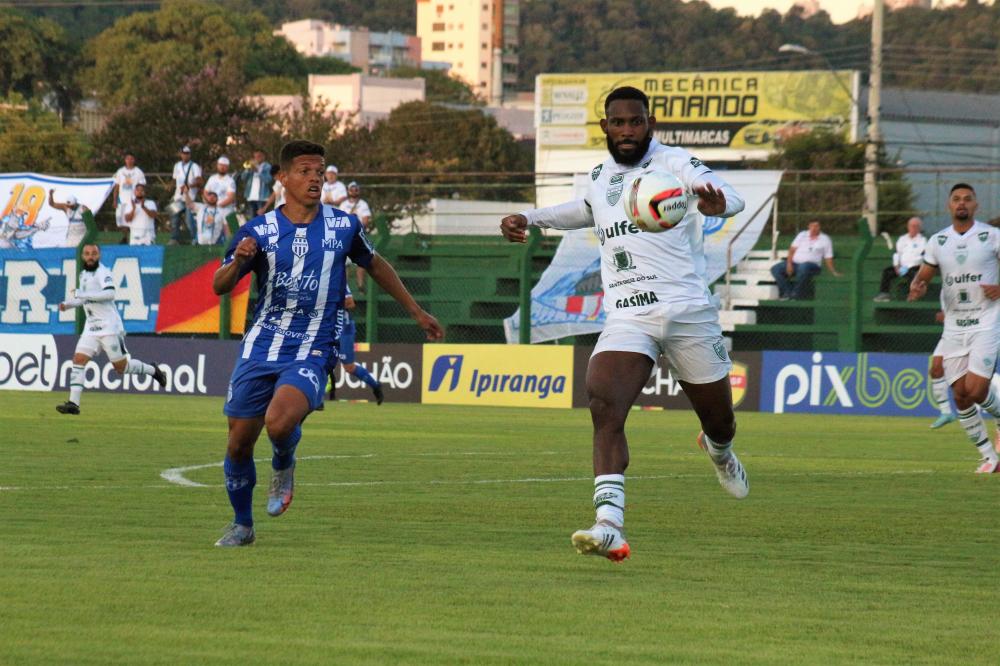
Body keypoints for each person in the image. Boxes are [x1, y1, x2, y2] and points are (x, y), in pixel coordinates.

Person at [499, 86, 748, 562]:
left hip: (687, 310)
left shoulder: (675, 164)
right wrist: (529, 218)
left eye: (636, 122)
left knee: (720, 419)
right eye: (619, 123)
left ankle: (718, 449)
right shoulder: (600, 176)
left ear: (649, 123)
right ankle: (609, 523)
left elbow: (725, 194)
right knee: (603, 401)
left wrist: (720, 205)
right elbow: (581, 211)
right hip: (628, 313)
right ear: (606, 127)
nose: (628, 131)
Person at [211, 139, 443, 547]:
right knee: (237, 441)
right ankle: (242, 525)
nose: (315, 178)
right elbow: (220, 285)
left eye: (320, 172)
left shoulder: (342, 226)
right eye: (304, 171)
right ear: (282, 178)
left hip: (315, 345)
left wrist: (416, 312)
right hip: (261, 345)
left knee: (279, 420)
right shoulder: (258, 231)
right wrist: (238, 260)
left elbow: (375, 264)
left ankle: (284, 462)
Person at [909, 183, 1000, 473]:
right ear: (949, 206)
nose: (962, 203)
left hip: (985, 322)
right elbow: (926, 272)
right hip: (954, 328)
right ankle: (990, 458)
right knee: (960, 395)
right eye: (956, 199)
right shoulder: (937, 241)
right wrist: (918, 284)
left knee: (975, 390)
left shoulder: (992, 236)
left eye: (967, 199)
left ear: (976, 206)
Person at [56, 244, 166, 415]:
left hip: (108, 326)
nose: (90, 256)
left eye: (94, 253)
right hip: (91, 327)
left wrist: (82, 295)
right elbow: (85, 299)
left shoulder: (103, 272)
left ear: (98, 255)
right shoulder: (83, 274)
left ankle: (152, 370)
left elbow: (110, 294)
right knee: (78, 359)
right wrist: (68, 304)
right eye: (87, 254)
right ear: (82, 256)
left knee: (120, 367)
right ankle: (73, 404)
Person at [328, 286, 383, 405]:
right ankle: (323, 396)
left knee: (349, 367)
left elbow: (350, 303)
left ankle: (375, 385)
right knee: (318, 360)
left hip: (343, 329)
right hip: (326, 329)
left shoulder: (339, 281)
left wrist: (330, 303)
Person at [770, 220, 842, 300]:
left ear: (820, 227)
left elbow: (828, 257)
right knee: (775, 269)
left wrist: (833, 271)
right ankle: (787, 292)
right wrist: (789, 264)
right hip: (795, 264)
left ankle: (796, 294)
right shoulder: (802, 235)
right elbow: (792, 250)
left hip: (812, 266)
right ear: (809, 226)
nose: (814, 228)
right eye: (812, 226)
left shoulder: (825, 239)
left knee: (804, 267)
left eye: (816, 226)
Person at [875, 216, 926, 301]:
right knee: (887, 272)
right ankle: (884, 294)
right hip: (901, 267)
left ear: (919, 228)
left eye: (916, 226)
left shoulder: (922, 240)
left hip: (914, 267)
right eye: (911, 226)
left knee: (914, 275)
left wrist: (910, 266)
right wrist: (897, 266)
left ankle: (912, 296)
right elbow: (897, 253)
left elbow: (922, 256)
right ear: (908, 227)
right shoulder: (902, 239)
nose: (913, 228)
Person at [343, 182, 373, 291]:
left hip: (358, 235)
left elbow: (365, 220)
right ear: (348, 190)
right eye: (352, 189)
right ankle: (345, 288)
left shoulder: (363, 204)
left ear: (358, 191)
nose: (354, 191)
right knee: (344, 263)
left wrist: (357, 227)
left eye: (356, 189)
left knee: (361, 261)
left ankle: (360, 285)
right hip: (346, 236)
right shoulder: (344, 204)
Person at [170, 146, 203, 245]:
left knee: (189, 220)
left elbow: (200, 181)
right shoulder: (177, 166)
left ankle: (194, 238)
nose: (185, 155)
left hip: (190, 198)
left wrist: (189, 186)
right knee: (174, 218)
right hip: (178, 197)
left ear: (190, 155)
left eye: (187, 153)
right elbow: (174, 179)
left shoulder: (194, 166)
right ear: (181, 154)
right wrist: (170, 187)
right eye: (183, 153)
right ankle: (174, 238)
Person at [111, 152, 145, 244]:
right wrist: (114, 199)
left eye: (131, 159)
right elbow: (117, 186)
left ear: (134, 160)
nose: (129, 161)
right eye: (127, 159)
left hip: (134, 200)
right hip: (122, 200)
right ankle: (125, 237)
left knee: (133, 219)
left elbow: (142, 186)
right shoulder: (120, 171)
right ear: (125, 160)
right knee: (121, 221)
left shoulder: (138, 172)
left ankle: (133, 237)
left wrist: (140, 199)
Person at [204, 156, 237, 228]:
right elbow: (206, 192)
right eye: (220, 165)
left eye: (224, 166)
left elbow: (230, 197)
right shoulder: (212, 178)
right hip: (211, 209)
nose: (222, 167)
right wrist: (209, 202)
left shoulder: (230, 181)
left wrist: (217, 205)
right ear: (217, 165)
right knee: (209, 229)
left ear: (227, 167)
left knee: (229, 232)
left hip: (226, 210)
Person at [239, 150, 272, 218]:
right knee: (252, 221)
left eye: (259, 156)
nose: (256, 158)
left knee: (261, 222)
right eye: (255, 157)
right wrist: (248, 169)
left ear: (263, 157)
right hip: (250, 197)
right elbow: (243, 178)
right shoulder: (251, 167)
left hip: (262, 198)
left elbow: (268, 180)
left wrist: (258, 171)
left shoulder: (267, 167)